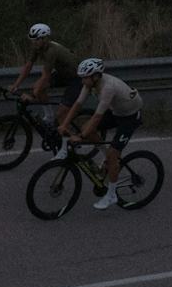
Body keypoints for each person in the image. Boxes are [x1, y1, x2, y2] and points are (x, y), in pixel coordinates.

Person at [59, 58, 144, 210]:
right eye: (82, 77)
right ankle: (108, 160)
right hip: (117, 111)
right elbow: (77, 105)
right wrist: (64, 124)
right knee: (88, 129)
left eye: (85, 77)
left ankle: (112, 195)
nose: (83, 81)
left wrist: (81, 137)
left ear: (96, 76)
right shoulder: (90, 84)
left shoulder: (108, 87)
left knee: (112, 153)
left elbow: (97, 116)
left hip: (130, 116)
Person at [7, 23, 80, 128]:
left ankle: (73, 136)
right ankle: (49, 117)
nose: (34, 42)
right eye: (32, 40)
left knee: (59, 113)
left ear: (45, 39)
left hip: (77, 78)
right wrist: (16, 85)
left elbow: (46, 76)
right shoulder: (37, 48)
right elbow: (28, 66)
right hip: (63, 74)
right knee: (39, 88)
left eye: (37, 39)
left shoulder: (51, 51)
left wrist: (32, 95)